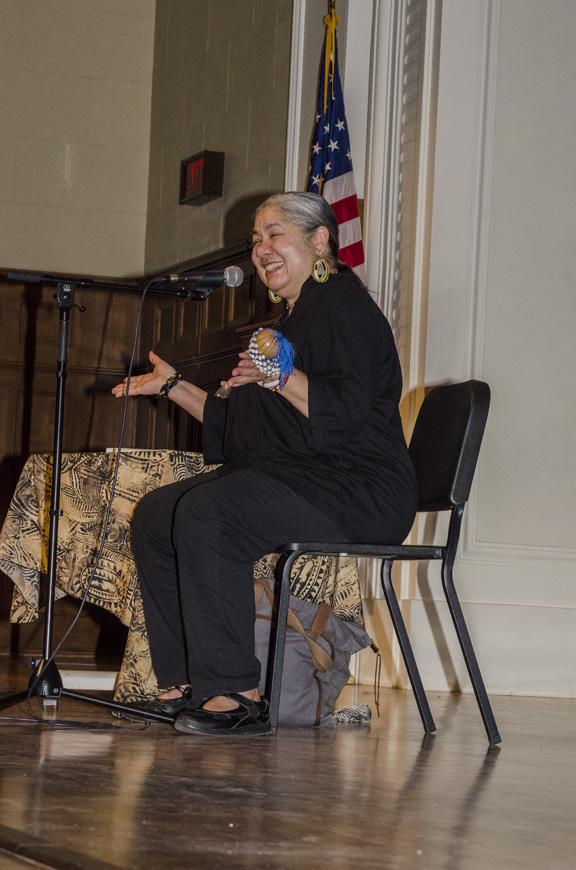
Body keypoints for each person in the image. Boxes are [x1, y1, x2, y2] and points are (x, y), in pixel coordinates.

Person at [112, 192, 417, 736]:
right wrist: (175, 387)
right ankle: (185, 685)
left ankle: (234, 694)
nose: (261, 249)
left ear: (320, 240)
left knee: (209, 514)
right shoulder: (291, 321)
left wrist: (278, 375)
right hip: (310, 479)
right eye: (256, 240)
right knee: (160, 516)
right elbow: (241, 432)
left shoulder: (343, 307)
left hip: (360, 490)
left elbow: (343, 414)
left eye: (275, 234)